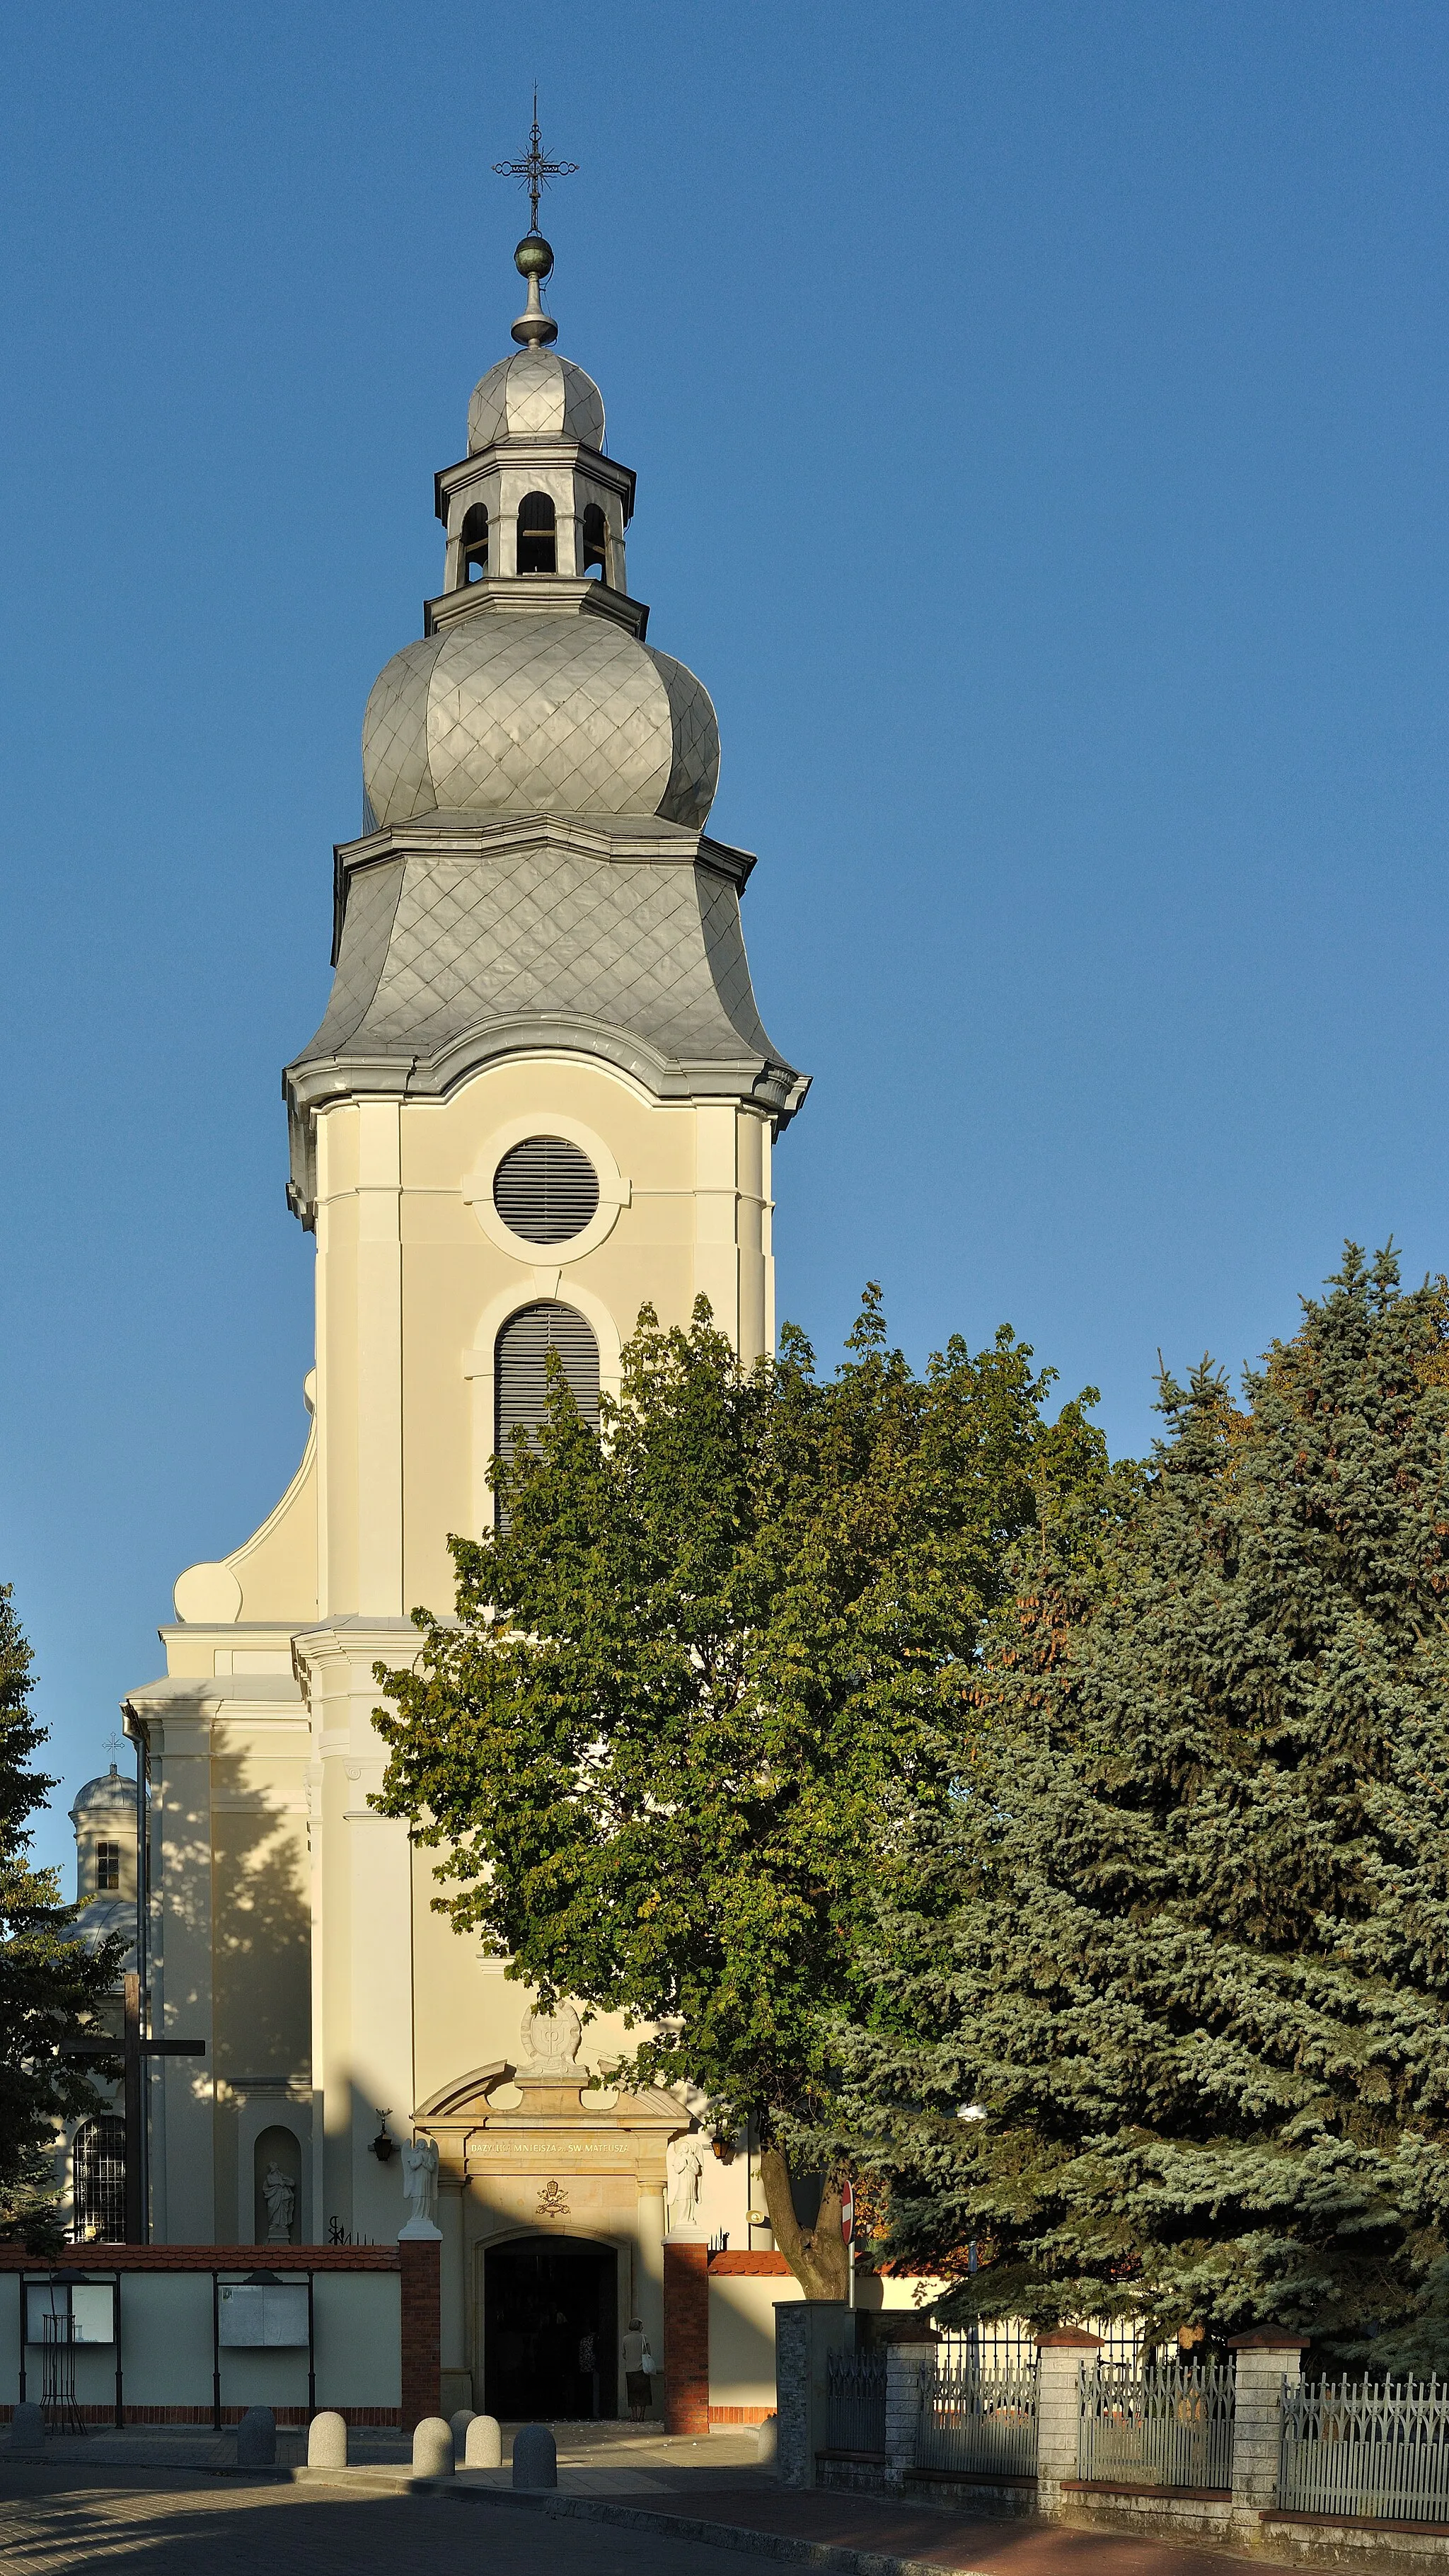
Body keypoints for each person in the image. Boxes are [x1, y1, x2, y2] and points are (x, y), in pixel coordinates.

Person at [622, 2317, 653, 2422]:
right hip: (642, 2369)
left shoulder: (625, 2339)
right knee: (644, 2394)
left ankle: (634, 2415)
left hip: (630, 2370)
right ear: (638, 2326)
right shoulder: (644, 2338)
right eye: (641, 2325)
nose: (643, 2327)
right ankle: (642, 2416)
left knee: (632, 2394)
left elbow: (624, 2354)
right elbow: (648, 2353)